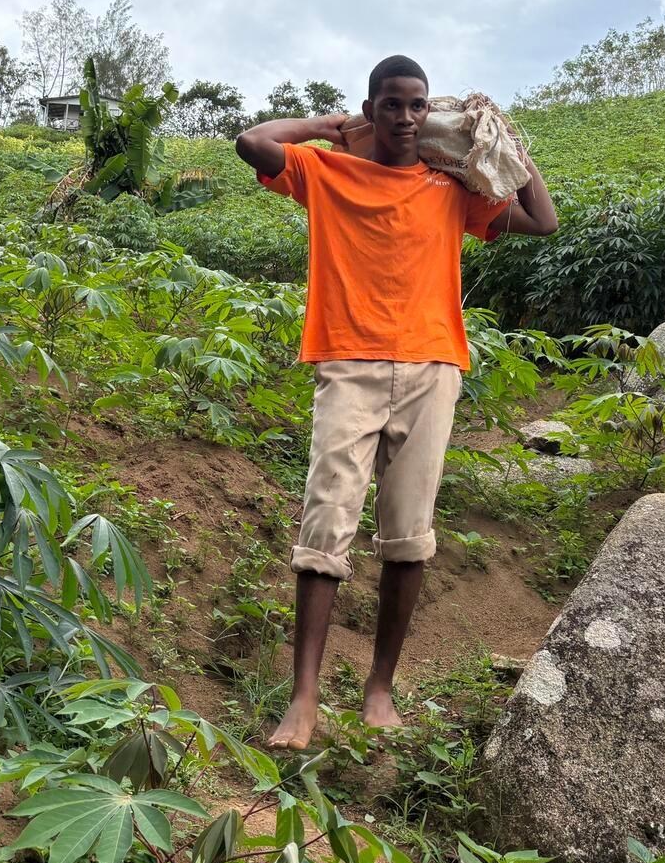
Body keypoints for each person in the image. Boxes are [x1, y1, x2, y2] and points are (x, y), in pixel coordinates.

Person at [234, 55, 558, 750]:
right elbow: (253, 142)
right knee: (325, 525)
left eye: (417, 106)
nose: (406, 118)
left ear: (428, 112)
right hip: (347, 362)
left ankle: (380, 688)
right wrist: (326, 128)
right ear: (371, 108)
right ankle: (304, 697)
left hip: (431, 366)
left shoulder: (449, 188)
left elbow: (543, 220)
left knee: (408, 534)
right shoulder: (325, 174)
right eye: (392, 104)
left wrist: (499, 138)